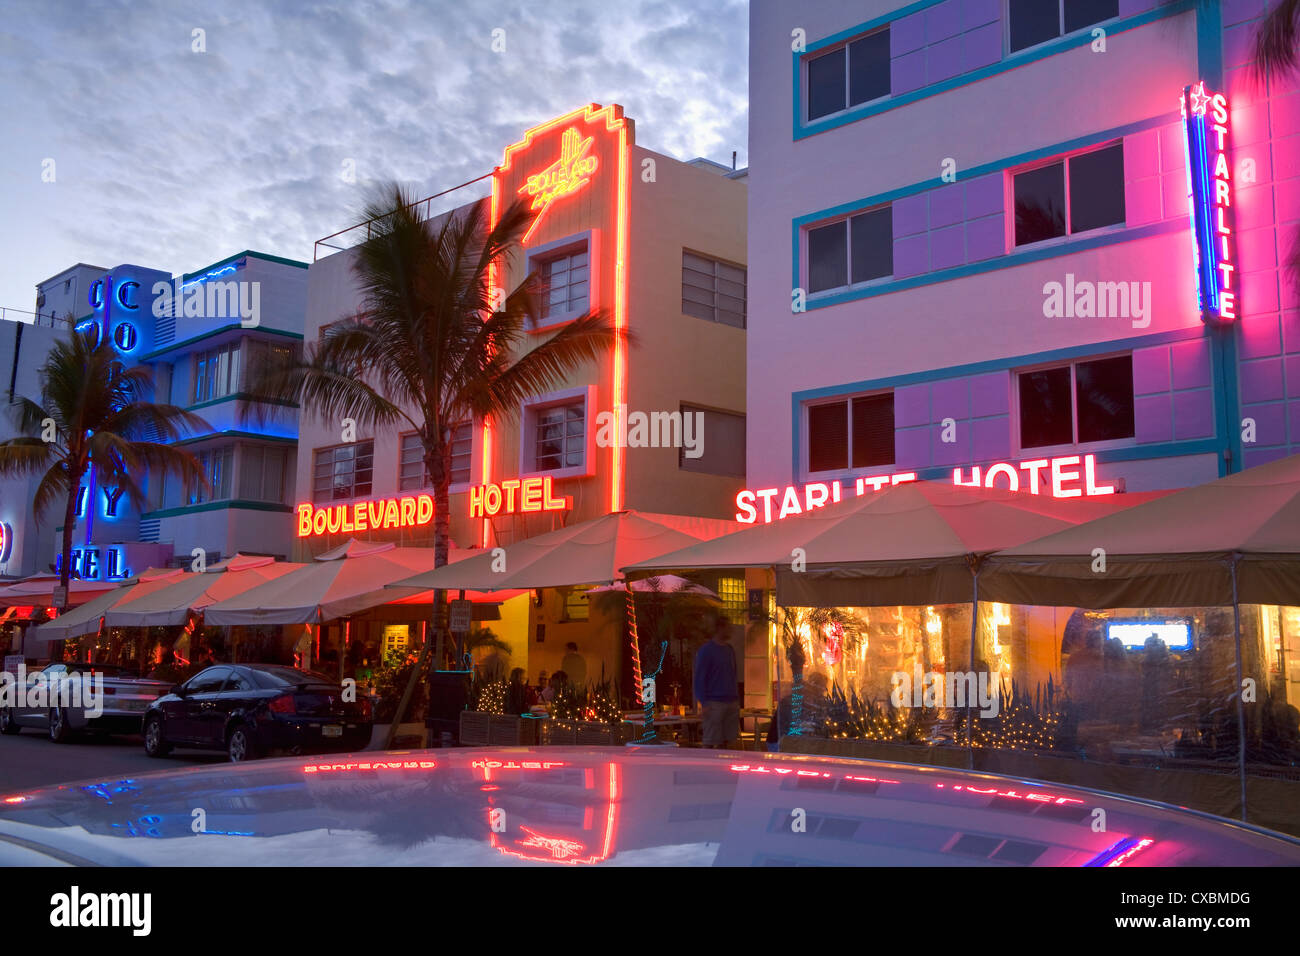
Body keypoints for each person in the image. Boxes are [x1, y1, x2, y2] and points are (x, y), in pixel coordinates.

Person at [694, 614, 740, 748]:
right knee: (710, 739)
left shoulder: (729, 650)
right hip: (714, 702)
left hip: (730, 701)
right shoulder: (707, 651)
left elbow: (734, 674)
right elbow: (700, 677)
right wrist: (704, 702)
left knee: (727, 739)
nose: (731, 630)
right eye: (728, 627)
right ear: (720, 628)